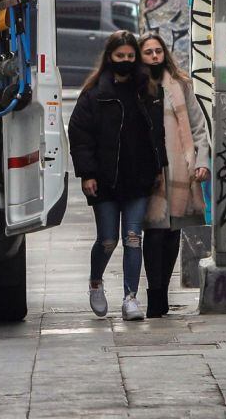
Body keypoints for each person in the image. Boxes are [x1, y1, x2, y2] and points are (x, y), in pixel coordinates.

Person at [68, 30, 167, 322]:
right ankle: (95, 282)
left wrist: (158, 167)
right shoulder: (94, 94)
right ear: (109, 57)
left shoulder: (147, 91)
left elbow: (157, 134)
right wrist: (87, 173)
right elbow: (80, 136)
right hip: (105, 179)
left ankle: (130, 298)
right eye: (119, 55)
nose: (125, 60)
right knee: (108, 240)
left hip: (139, 177)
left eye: (130, 56)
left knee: (133, 238)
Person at [139, 33, 210, 318]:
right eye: (148, 52)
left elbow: (198, 126)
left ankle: (162, 292)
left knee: (172, 234)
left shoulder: (180, 85)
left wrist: (201, 162)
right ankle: (154, 294)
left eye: (158, 51)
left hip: (178, 167)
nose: (155, 56)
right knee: (154, 233)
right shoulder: (137, 87)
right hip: (150, 169)